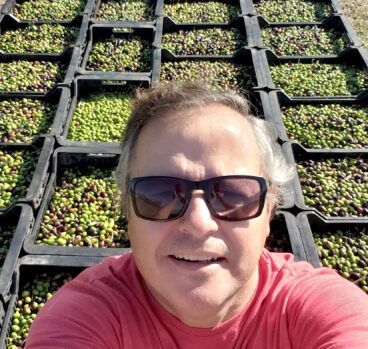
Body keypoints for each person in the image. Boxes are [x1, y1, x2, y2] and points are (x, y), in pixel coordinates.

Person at [26, 81, 368, 348]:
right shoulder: (83, 317)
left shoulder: (321, 308)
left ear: (269, 210)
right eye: (159, 194)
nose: (199, 222)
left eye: (233, 193)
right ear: (126, 209)